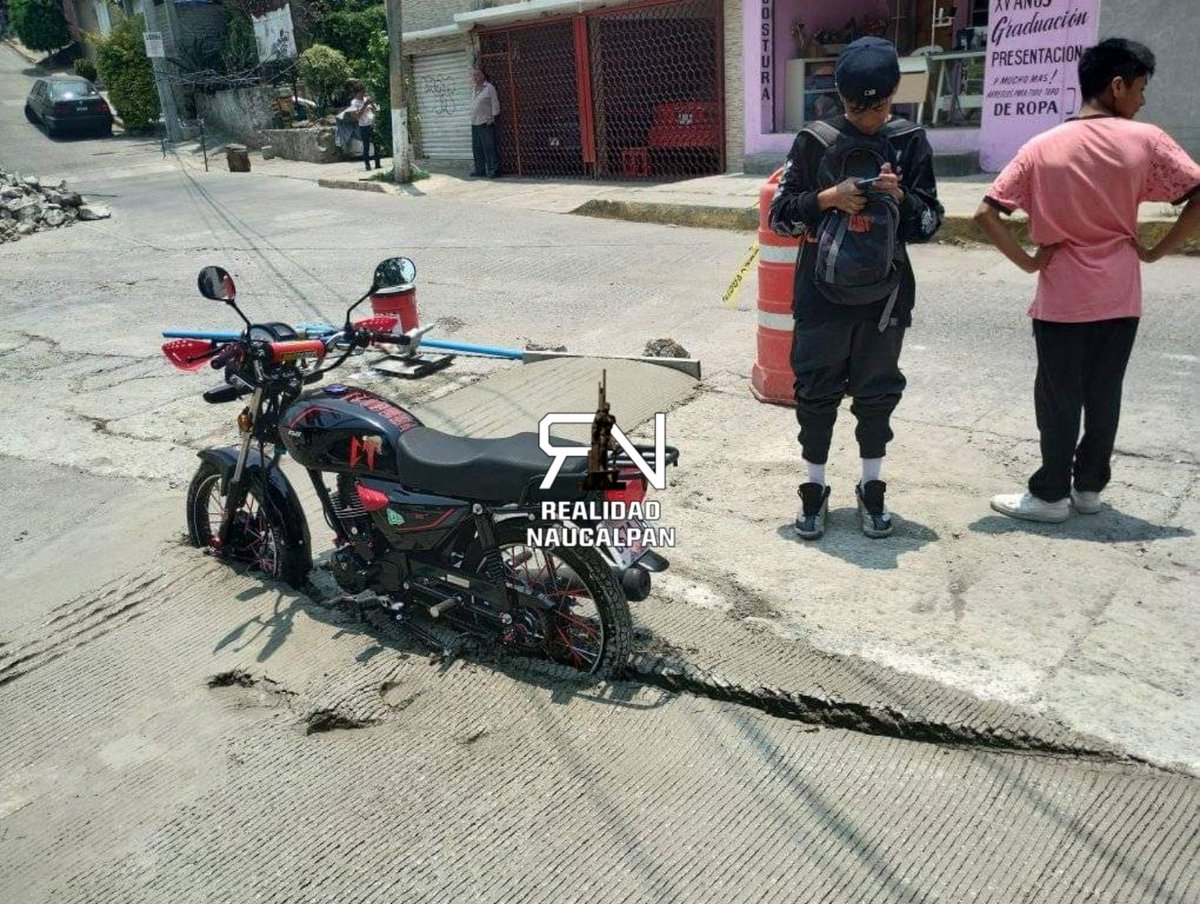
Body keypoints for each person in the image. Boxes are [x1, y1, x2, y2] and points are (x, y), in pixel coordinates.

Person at [976, 38, 1200, 523]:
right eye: (1140, 89)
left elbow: (986, 213)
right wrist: (1156, 251)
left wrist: (1029, 263)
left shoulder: (1040, 147)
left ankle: (1051, 495)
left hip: (1062, 297)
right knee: (1105, 393)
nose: (1142, 101)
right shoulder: (1147, 141)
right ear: (1116, 85)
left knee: (1060, 397)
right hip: (1121, 294)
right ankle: (1089, 489)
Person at [769, 37, 943, 541]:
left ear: (895, 95)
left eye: (879, 106)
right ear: (839, 99)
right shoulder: (814, 140)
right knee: (816, 395)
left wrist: (901, 197)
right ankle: (814, 486)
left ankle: (871, 485)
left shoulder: (910, 140)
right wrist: (826, 198)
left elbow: (930, 223)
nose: (868, 117)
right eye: (855, 107)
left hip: (885, 300)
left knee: (877, 395)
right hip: (821, 296)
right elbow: (780, 217)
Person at [470, 68, 501, 178]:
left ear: (483, 75)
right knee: (477, 148)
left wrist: (492, 117)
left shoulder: (489, 88)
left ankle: (493, 170)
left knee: (489, 147)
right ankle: (480, 170)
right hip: (474, 122)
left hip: (486, 122)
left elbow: (495, 103)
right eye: (474, 75)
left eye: (478, 75)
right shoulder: (474, 89)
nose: (475, 77)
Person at [347, 80, 381, 171]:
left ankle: (378, 164)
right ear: (356, 93)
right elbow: (356, 116)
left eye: (363, 92)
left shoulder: (366, 99)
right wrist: (365, 106)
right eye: (361, 92)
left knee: (377, 144)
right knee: (366, 146)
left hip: (372, 123)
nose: (363, 94)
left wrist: (372, 104)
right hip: (364, 126)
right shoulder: (354, 103)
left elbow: (375, 111)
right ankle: (367, 165)